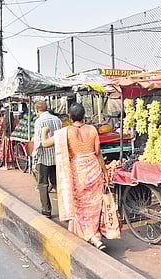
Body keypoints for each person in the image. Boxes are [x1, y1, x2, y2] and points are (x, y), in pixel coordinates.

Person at [41, 103, 109, 250]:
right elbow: (98, 153)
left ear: (70, 117)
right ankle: (95, 235)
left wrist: (45, 131)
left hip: (78, 173)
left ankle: (90, 235)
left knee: (81, 205)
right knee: (94, 204)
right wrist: (104, 172)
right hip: (93, 169)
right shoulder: (92, 130)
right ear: (84, 115)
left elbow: (45, 143)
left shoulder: (64, 133)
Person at [32, 101, 62, 218]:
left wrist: (35, 156)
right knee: (57, 183)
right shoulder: (57, 120)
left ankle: (46, 210)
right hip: (56, 155)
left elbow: (38, 141)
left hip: (44, 157)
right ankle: (65, 208)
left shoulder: (39, 121)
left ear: (37, 110)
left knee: (43, 184)